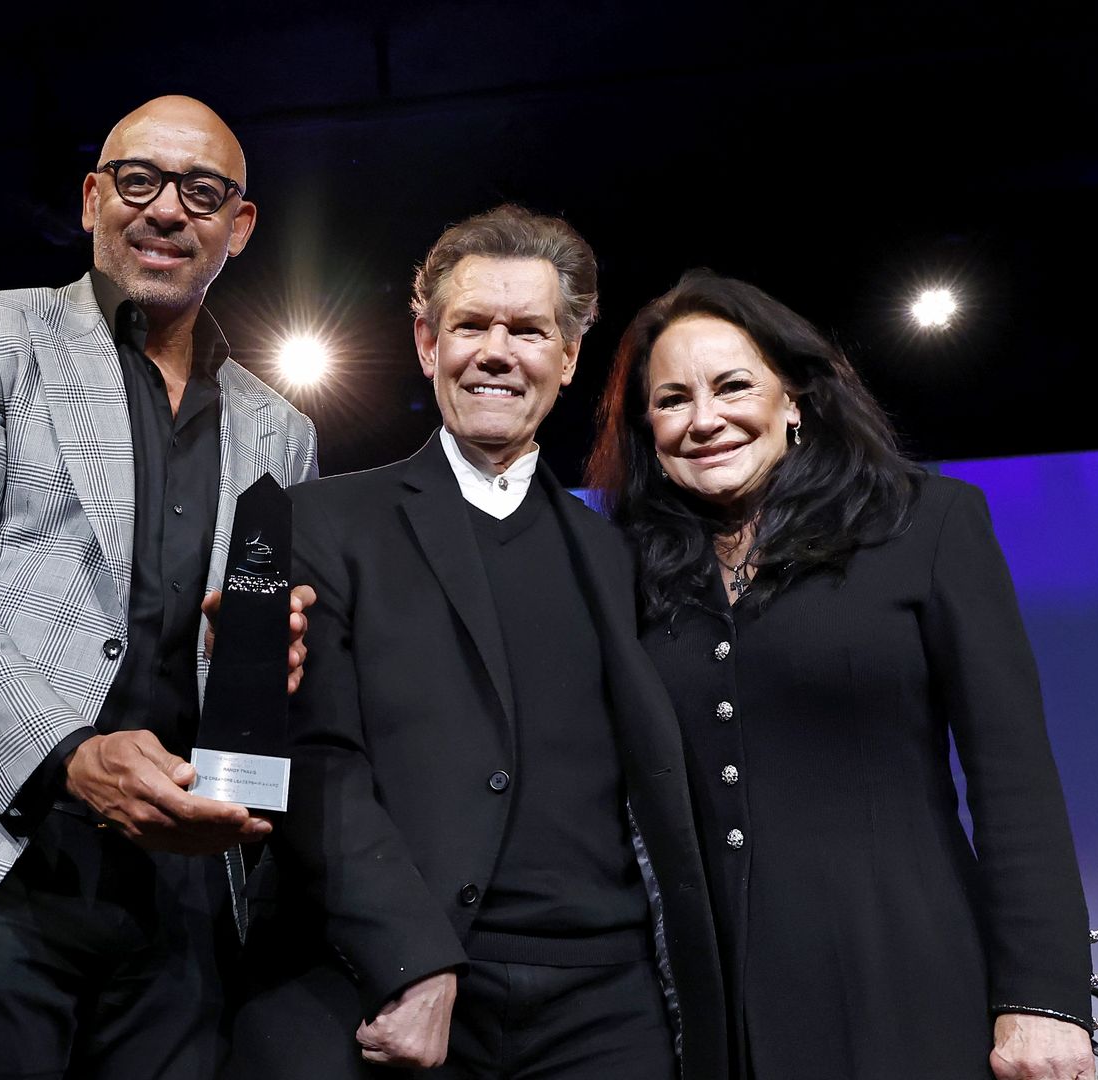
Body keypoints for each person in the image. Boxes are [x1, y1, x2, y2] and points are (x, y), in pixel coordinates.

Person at [0, 96, 318, 1079]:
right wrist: (68, 754)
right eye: (138, 181)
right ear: (91, 199)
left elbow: (260, 650)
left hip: (187, 892)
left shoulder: (282, 429)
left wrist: (280, 657)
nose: (166, 210)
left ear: (239, 226)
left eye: (202, 192)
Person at [227, 205, 725, 1080]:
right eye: (471, 327)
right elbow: (311, 760)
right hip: (382, 986)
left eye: (528, 330)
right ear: (427, 343)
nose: (497, 352)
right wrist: (412, 962)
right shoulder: (312, 520)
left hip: (604, 1006)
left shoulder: (622, 556)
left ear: (568, 357)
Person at [587, 269, 1097, 1080]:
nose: (705, 419)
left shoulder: (926, 522)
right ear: (647, 428)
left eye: (732, 386)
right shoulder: (624, 574)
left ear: (794, 398)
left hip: (906, 981)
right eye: (672, 400)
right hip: (712, 1015)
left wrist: (1045, 999)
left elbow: (1015, 777)